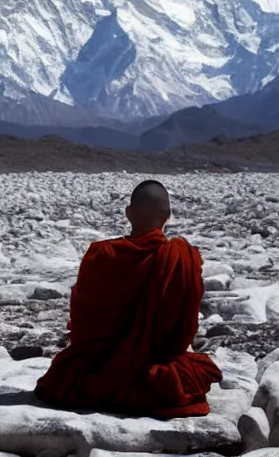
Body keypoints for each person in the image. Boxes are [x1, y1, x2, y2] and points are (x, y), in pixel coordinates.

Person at [33, 179, 222, 418]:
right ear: (168, 216)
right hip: (152, 365)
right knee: (194, 372)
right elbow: (181, 334)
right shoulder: (181, 259)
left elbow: (82, 323)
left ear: (128, 213)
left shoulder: (100, 255)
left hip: (95, 365)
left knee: (66, 377)